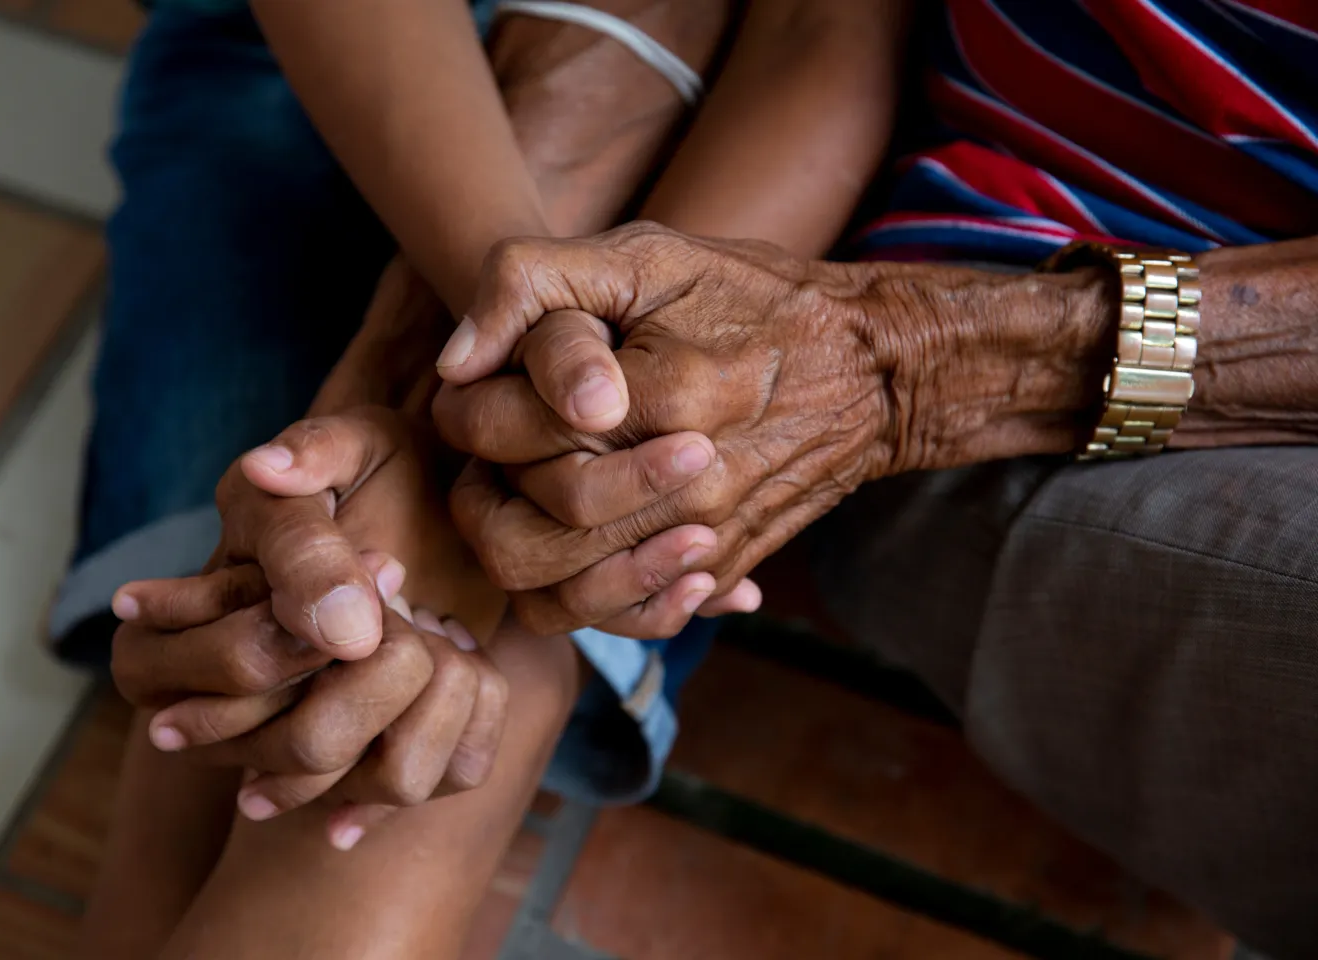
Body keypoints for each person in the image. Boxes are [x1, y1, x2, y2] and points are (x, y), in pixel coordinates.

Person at [422, 3, 1318, 957]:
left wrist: (914, 361)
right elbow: (824, 26)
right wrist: (620, 377)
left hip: (979, 346)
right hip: (1004, 285)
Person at [74, 0, 908, 956]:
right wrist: (476, 375)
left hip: (706, 196)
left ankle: (500, 589)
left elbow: (828, 34)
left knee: (341, 659)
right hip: (342, 71)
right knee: (346, 666)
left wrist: (532, 414)